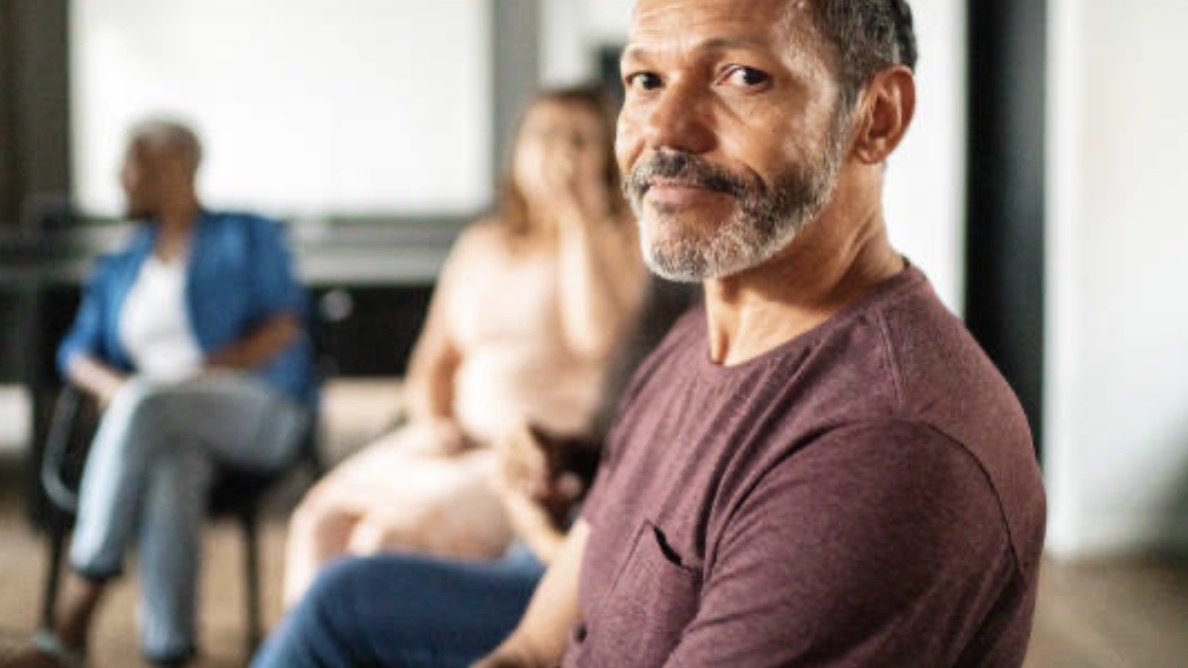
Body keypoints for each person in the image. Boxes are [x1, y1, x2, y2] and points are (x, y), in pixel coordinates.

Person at [476, 0, 1046, 668]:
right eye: (645, 80)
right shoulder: (692, 343)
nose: (664, 130)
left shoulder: (884, 445)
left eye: (741, 75)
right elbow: (538, 646)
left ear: (874, 117)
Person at [280, 86, 647, 608]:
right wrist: (433, 422)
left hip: (529, 460)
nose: (556, 152)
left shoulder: (619, 241)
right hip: (452, 442)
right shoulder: (482, 242)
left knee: (384, 544)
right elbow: (436, 359)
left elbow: (600, 342)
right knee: (319, 521)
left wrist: (575, 219)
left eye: (578, 140)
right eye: (542, 136)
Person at [252, 277, 698, 668]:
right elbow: (631, 448)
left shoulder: (715, 338)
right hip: (563, 535)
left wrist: (543, 536)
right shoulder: (677, 303)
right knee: (326, 530)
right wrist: (562, 455)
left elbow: (639, 582)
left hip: (572, 577)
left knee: (343, 597)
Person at [14, 119, 318, 668]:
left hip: (256, 407)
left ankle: (77, 607)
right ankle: (170, 648)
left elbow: (285, 327)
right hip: (156, 424)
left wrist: (194, 374)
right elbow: (76, 352)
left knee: (150, 405)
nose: (120, 177)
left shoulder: (247, 235)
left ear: (176, 166)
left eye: (133, 164)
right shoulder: (121, 264)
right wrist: (118, 387)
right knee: (172, 464)